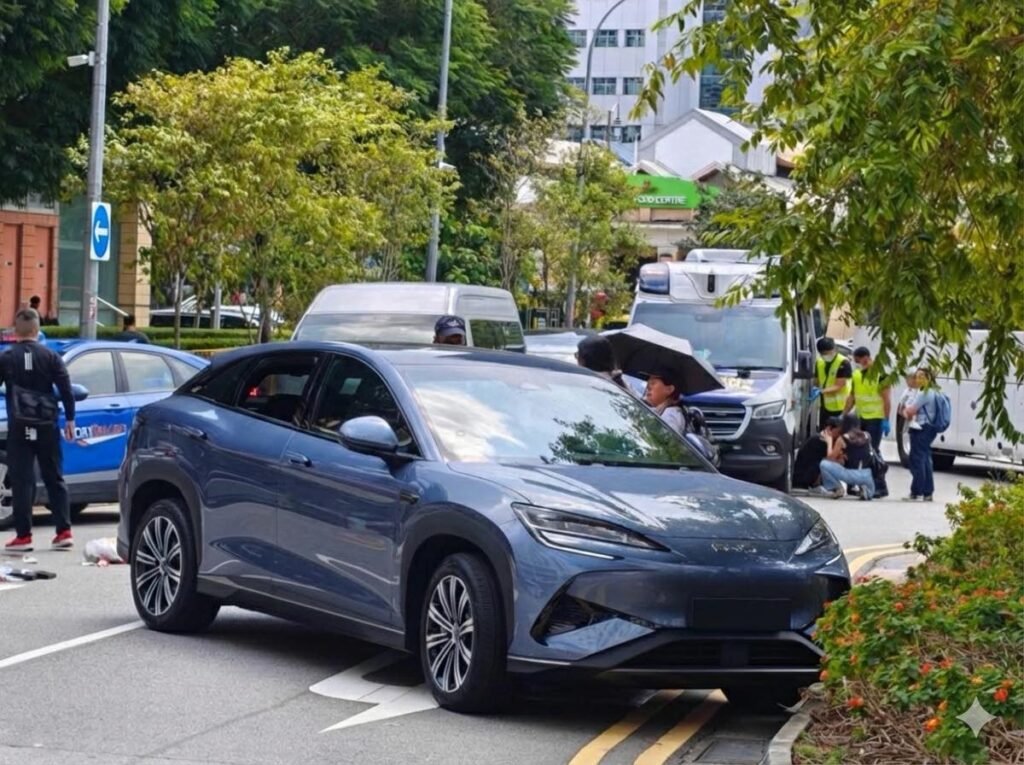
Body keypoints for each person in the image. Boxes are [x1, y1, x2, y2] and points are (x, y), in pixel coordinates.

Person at [0, 309, 76, 552]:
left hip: (19, 426)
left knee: (22, 480)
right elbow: (67, 390)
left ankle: (23, 537)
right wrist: (70, 420)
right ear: (37, 329)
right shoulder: (51, 356)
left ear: (16, 330)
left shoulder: (6, 357)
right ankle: (63, 532)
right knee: (54, 476)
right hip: (47, 425)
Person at [902, 367, 939, 502]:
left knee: (917, 459)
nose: (918, 380)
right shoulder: (933, 392)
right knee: (925, 459)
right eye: (917, 377)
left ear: (929, 378)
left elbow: (910, 411)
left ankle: (917, 491)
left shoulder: (925, 393)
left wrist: (905, 411)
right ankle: (927, 492)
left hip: (921, 428)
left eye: (921, 377)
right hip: (928, 428)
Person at [844, 347, 892, 451]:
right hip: (860, 418)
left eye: (857, 361)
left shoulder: (882, 376)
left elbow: (886, 400)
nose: (857, 364)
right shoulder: (856, 375)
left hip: (875, 419)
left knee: (872, 449)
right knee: (859, 448)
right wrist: (843, 414)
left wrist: (886, 419)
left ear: (865, 358)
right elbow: (852, 397)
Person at [818, 414, 876, 500]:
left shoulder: (843, 438)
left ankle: (837, 487)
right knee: (868, 490)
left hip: (850, 475)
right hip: (867, 474)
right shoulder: (867, 435)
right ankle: (867, 491)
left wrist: (829, 441)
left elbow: (831, 458)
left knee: (824, 464)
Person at [793, 417, 842, 490]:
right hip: (803, 479)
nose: (839, 435)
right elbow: (831, 459)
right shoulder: (820, 440)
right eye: (838, 432)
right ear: (829, 429)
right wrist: (830, 442)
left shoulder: (820, 438)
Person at [814, 337, 852, 429]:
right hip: (824, 406)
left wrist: (821, 391)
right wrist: (814, 389)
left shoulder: (843, 362)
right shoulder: (819, 362)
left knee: (837, 433)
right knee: (824, 432)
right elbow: (816, 381)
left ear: (834, 349)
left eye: (828, 353)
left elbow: (839, 385)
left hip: (840, 408)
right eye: (823, 354)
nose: (826, 355)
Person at [642, 367, 687, 435]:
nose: (648, 387)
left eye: (653, 383)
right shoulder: (661, 409)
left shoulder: (671, 417)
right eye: (648, 383)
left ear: (669, 389)